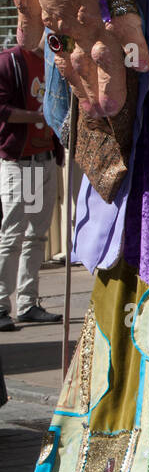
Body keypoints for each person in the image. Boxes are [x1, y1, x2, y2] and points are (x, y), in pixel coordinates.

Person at [0, 40, 63, 330]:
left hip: (42, 162)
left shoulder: (54, 59)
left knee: (35, 235)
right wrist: (39, 117)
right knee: (11, 236)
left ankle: (28, 303)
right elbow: (2, 109)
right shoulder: (9, 61)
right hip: (19, 163)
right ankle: (1, 305)